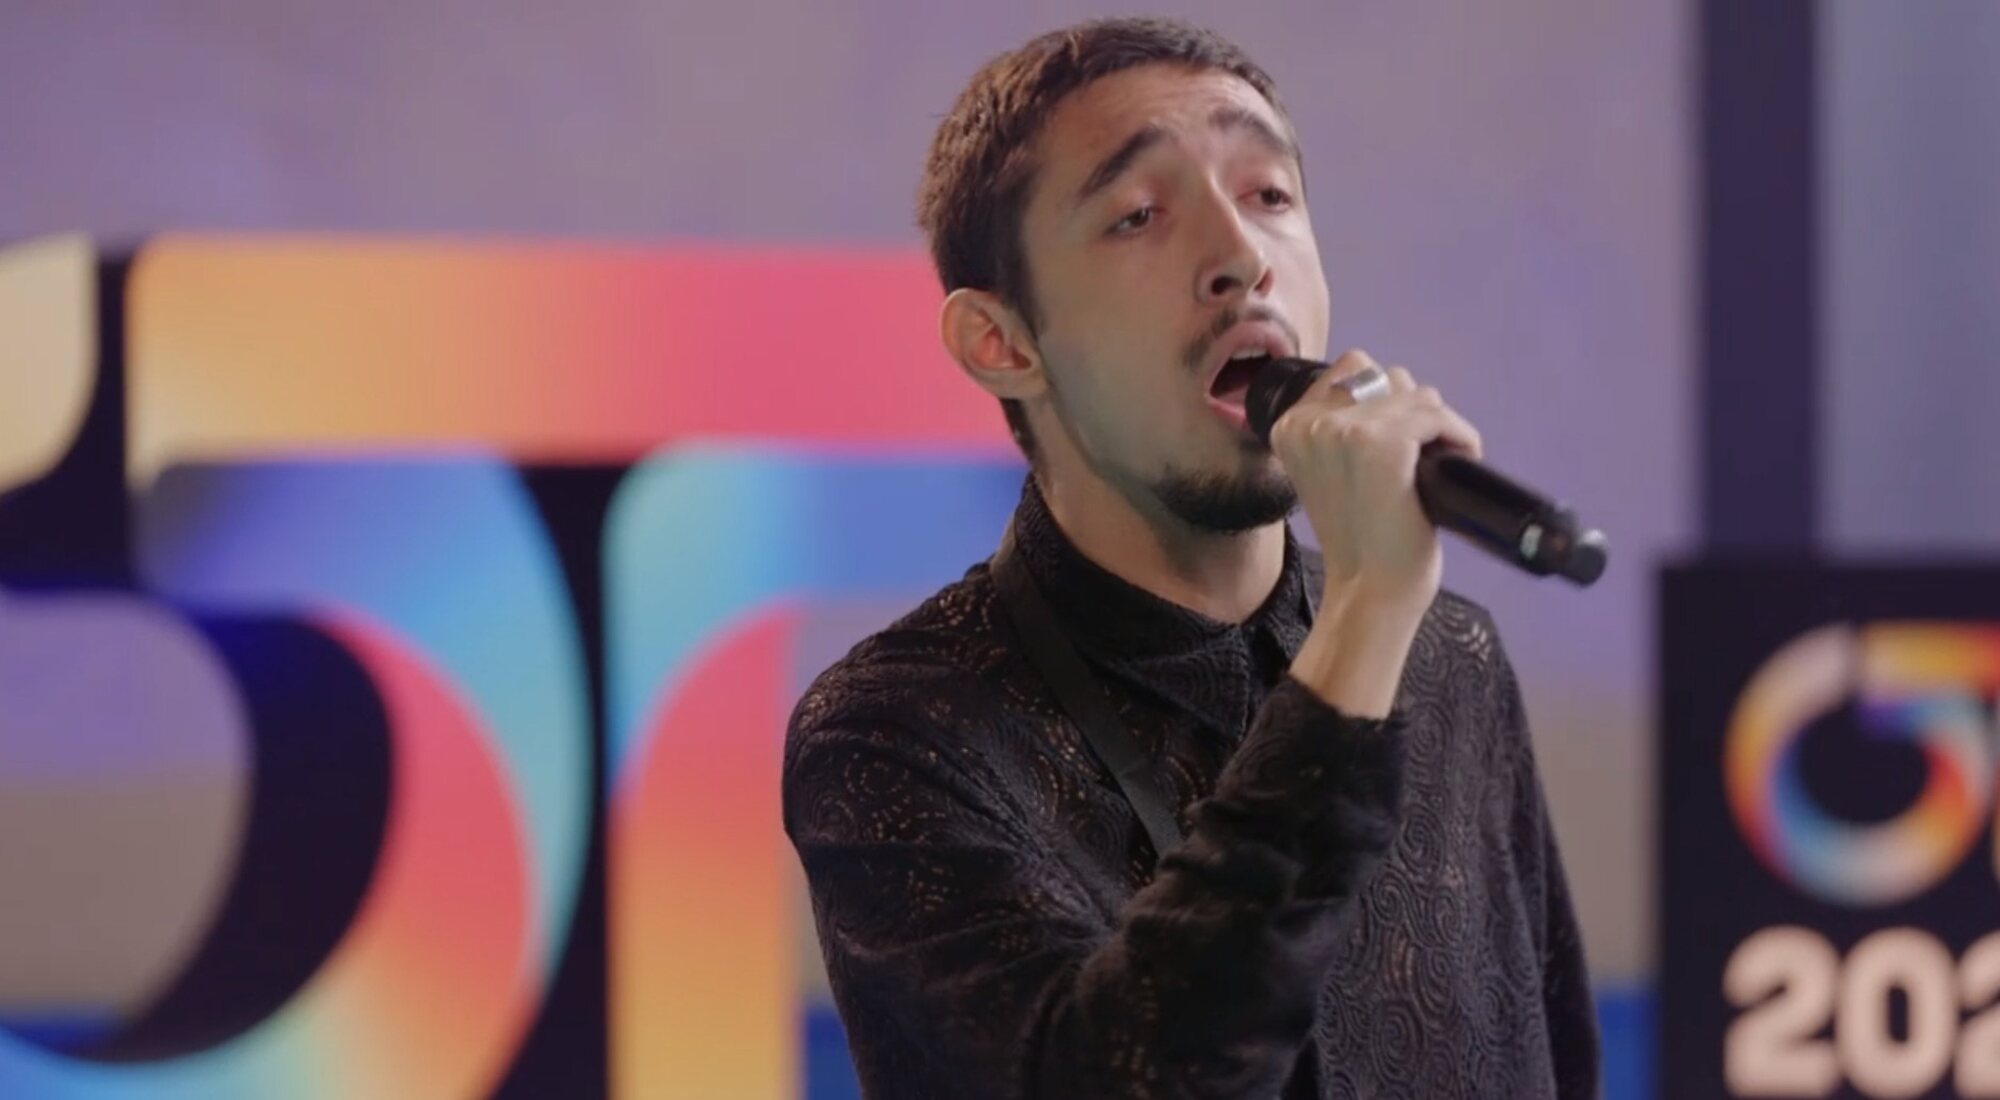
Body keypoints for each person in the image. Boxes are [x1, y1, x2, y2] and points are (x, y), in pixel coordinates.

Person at [782, 16, 1600, 1099]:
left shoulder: (1447, 656)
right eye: (1138, 214)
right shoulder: (900, 729)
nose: (1241, 258)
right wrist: (1364, 617)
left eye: (1269, 195)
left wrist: (1373, 616)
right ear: (1002, 342)